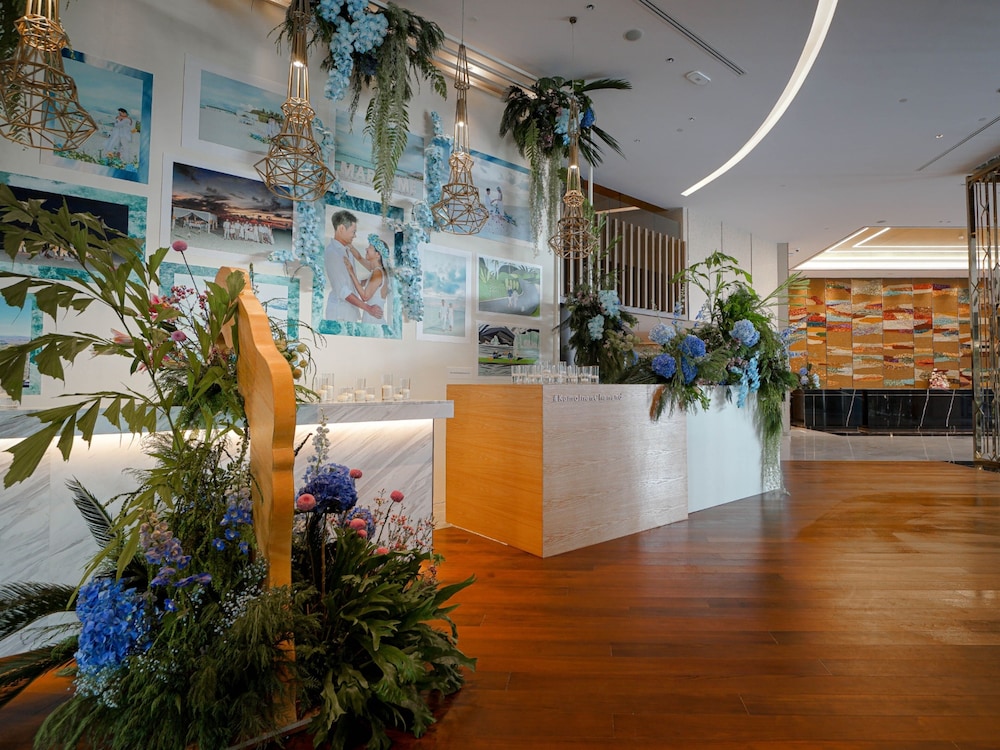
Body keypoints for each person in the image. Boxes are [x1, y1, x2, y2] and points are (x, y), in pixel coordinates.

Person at [324, 210, 383, 322]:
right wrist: (368, 308)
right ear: (341, 228)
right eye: (353, 232)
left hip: (350, 312)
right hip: (339, 313)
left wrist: (367, 281)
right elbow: (342, 290)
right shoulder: (333, 252)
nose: (355, 236)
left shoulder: (347, 251)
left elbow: (349, 280)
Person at [344, 234, 392, 326]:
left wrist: (351, 271)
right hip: (372, 318)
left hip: (373, 320)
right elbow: (359, 258)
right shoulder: (376, 269)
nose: (366, 249)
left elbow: (365, 297)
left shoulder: (378, 273)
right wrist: (350, 246)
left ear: (377, 254)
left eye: (370, 247)